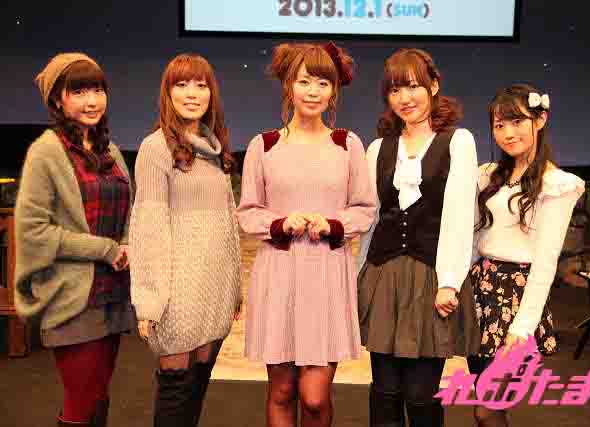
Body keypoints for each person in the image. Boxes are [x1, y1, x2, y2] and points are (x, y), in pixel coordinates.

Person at [236, 42, 376, 427]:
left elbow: (365, 208)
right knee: (281, 391)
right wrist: (281, 224)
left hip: (326, 274)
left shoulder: (346, 144)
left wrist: (333, 224)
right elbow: (248, 211)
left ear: (334, 91)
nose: (313, 91)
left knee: (314, 398)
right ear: (288, 86)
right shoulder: (264, 145)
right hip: (279, 274)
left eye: (322, 83)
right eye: (304, 82)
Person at [357, 48, 481, 427]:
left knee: (420, 393)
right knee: (384, 389)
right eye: (395, 90)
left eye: (412, 87)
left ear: (434, 86)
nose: (404, 98)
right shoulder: (378, 148)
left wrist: (450, 282)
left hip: (431, 276)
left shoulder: (458, 141)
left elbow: (460, 216)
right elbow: (371, 220)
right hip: (383, 275)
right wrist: (358, 277)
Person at [14, 53, 134, 426]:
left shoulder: (111, 151)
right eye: (79, 92)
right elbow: (33, 230)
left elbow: (130, 210)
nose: (91, 101)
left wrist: (128, 243)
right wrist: (106, 249)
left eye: (97, 90)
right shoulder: (46, 151)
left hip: (113, 292)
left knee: (98, 395)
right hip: (72, 297)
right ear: (57, 100)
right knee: (81, 402)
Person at [129, 53, 241, 427]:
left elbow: (227, 224)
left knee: (196, 387)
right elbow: (148, 225)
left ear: (211, 93)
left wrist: (234, 287)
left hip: (214, 287)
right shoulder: (155, 148)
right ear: (168, 92)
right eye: (182, 84)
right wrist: (149, 299)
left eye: (200, 85)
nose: (192, 93)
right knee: (176, 389)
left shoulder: (213, 149)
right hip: (177, 289)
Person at [468, 83, 585, 426]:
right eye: (499, 125)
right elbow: (474, 239)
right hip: (480, 293)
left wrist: (522, 329)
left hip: (518, 297)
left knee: (487, 407)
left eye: (517, 121)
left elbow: (546, 261)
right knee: (487, 403)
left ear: (541, 119)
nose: (508, 133)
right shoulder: (488, 176)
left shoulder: (556, 184)